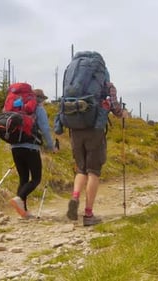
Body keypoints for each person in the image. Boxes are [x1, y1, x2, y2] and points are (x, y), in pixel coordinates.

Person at [66, 82, 126, 226]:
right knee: (93, 171)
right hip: (95, 130)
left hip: (75, 129)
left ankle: (75, 197)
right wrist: (122, 113)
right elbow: (115, 107)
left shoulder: (73, 82)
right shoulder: (106, 84)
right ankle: (88, 214)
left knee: (81, 168)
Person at [9, 88, 56, 219]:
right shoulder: (39, 109)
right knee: (36, 178)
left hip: (15, 147)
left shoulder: (17, 108)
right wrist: (51, 146)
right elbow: (45, 129)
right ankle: (18, 199)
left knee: (23, 178)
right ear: (40, 99)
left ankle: (23, 211)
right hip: (31, 147)